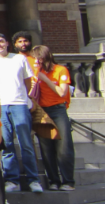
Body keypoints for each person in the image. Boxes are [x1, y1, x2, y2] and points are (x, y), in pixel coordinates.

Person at [0, 33, 41, 193]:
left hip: (19, 103)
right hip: (0, 105)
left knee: (26, 143)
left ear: (7, 43)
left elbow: (28, 81)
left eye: (1, 41)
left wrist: (26, 98)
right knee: (7, 144)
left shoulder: (19, 59)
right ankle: (12, 180)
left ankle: (33, 179)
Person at [32, 45, 76, 190]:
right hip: (41, 111)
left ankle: (68, 181)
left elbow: (62, 93)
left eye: (39, 58)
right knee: (46, 148)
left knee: (64, 146)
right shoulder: (34, 72)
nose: (37, 62)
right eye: (35, 59)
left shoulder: (60, 70)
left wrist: (44, 79)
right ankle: (53, 181)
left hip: (58, 110)